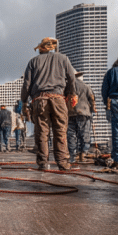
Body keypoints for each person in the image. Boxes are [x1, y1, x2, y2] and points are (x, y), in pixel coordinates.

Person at [21, 37, 77, 171]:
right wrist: (72, 94)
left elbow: (27, 84)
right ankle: (63, 164)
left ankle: (42, 163)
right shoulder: (63, 59)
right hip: (58, 99)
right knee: (60, 132)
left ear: (41, 49)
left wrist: (24, 101)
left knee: (41, 133)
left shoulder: (33, 61)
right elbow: (71, 78)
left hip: (40, 100)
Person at [67, 72, 96, 164]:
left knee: (71, 135)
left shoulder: (66, 87)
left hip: (70, 113)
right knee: (84, 134)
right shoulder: (86, 86)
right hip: (83, 113)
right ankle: (83, 155)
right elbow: (92, 98)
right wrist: (93, 109)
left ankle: (72, 155)